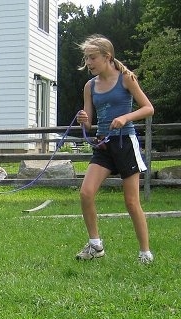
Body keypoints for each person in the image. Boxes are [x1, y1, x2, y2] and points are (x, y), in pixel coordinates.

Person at [75, 34, 154, 263]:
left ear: (107, 57)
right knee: (86, 193)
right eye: (87, 58)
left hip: (125, 143)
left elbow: (148, 108)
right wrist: (84, 119)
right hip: (103, 144)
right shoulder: (90, 86)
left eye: (92, 58)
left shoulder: (126, 79)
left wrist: (125, 117)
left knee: (131, 202)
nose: (88, 63)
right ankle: (95, 245)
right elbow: (89, 122)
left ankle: (145, 253)